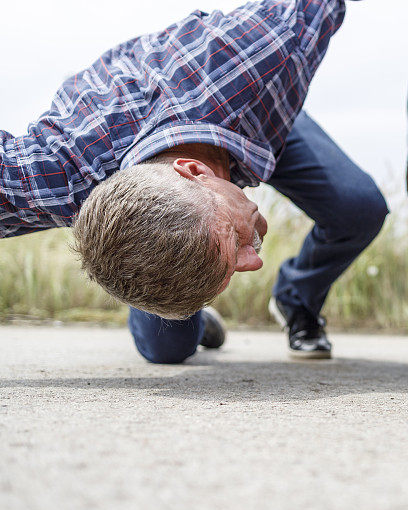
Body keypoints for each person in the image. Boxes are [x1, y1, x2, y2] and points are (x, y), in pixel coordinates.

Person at [0, 0, 388, 361]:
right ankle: (194, 319)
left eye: (234, 241)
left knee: (359, 207)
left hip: (246, 119)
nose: (254, 262)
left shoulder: (258, 54)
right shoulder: (56, 179)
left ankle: (297, 298)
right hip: (153, 151)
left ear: (196, 171)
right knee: (167, 349)